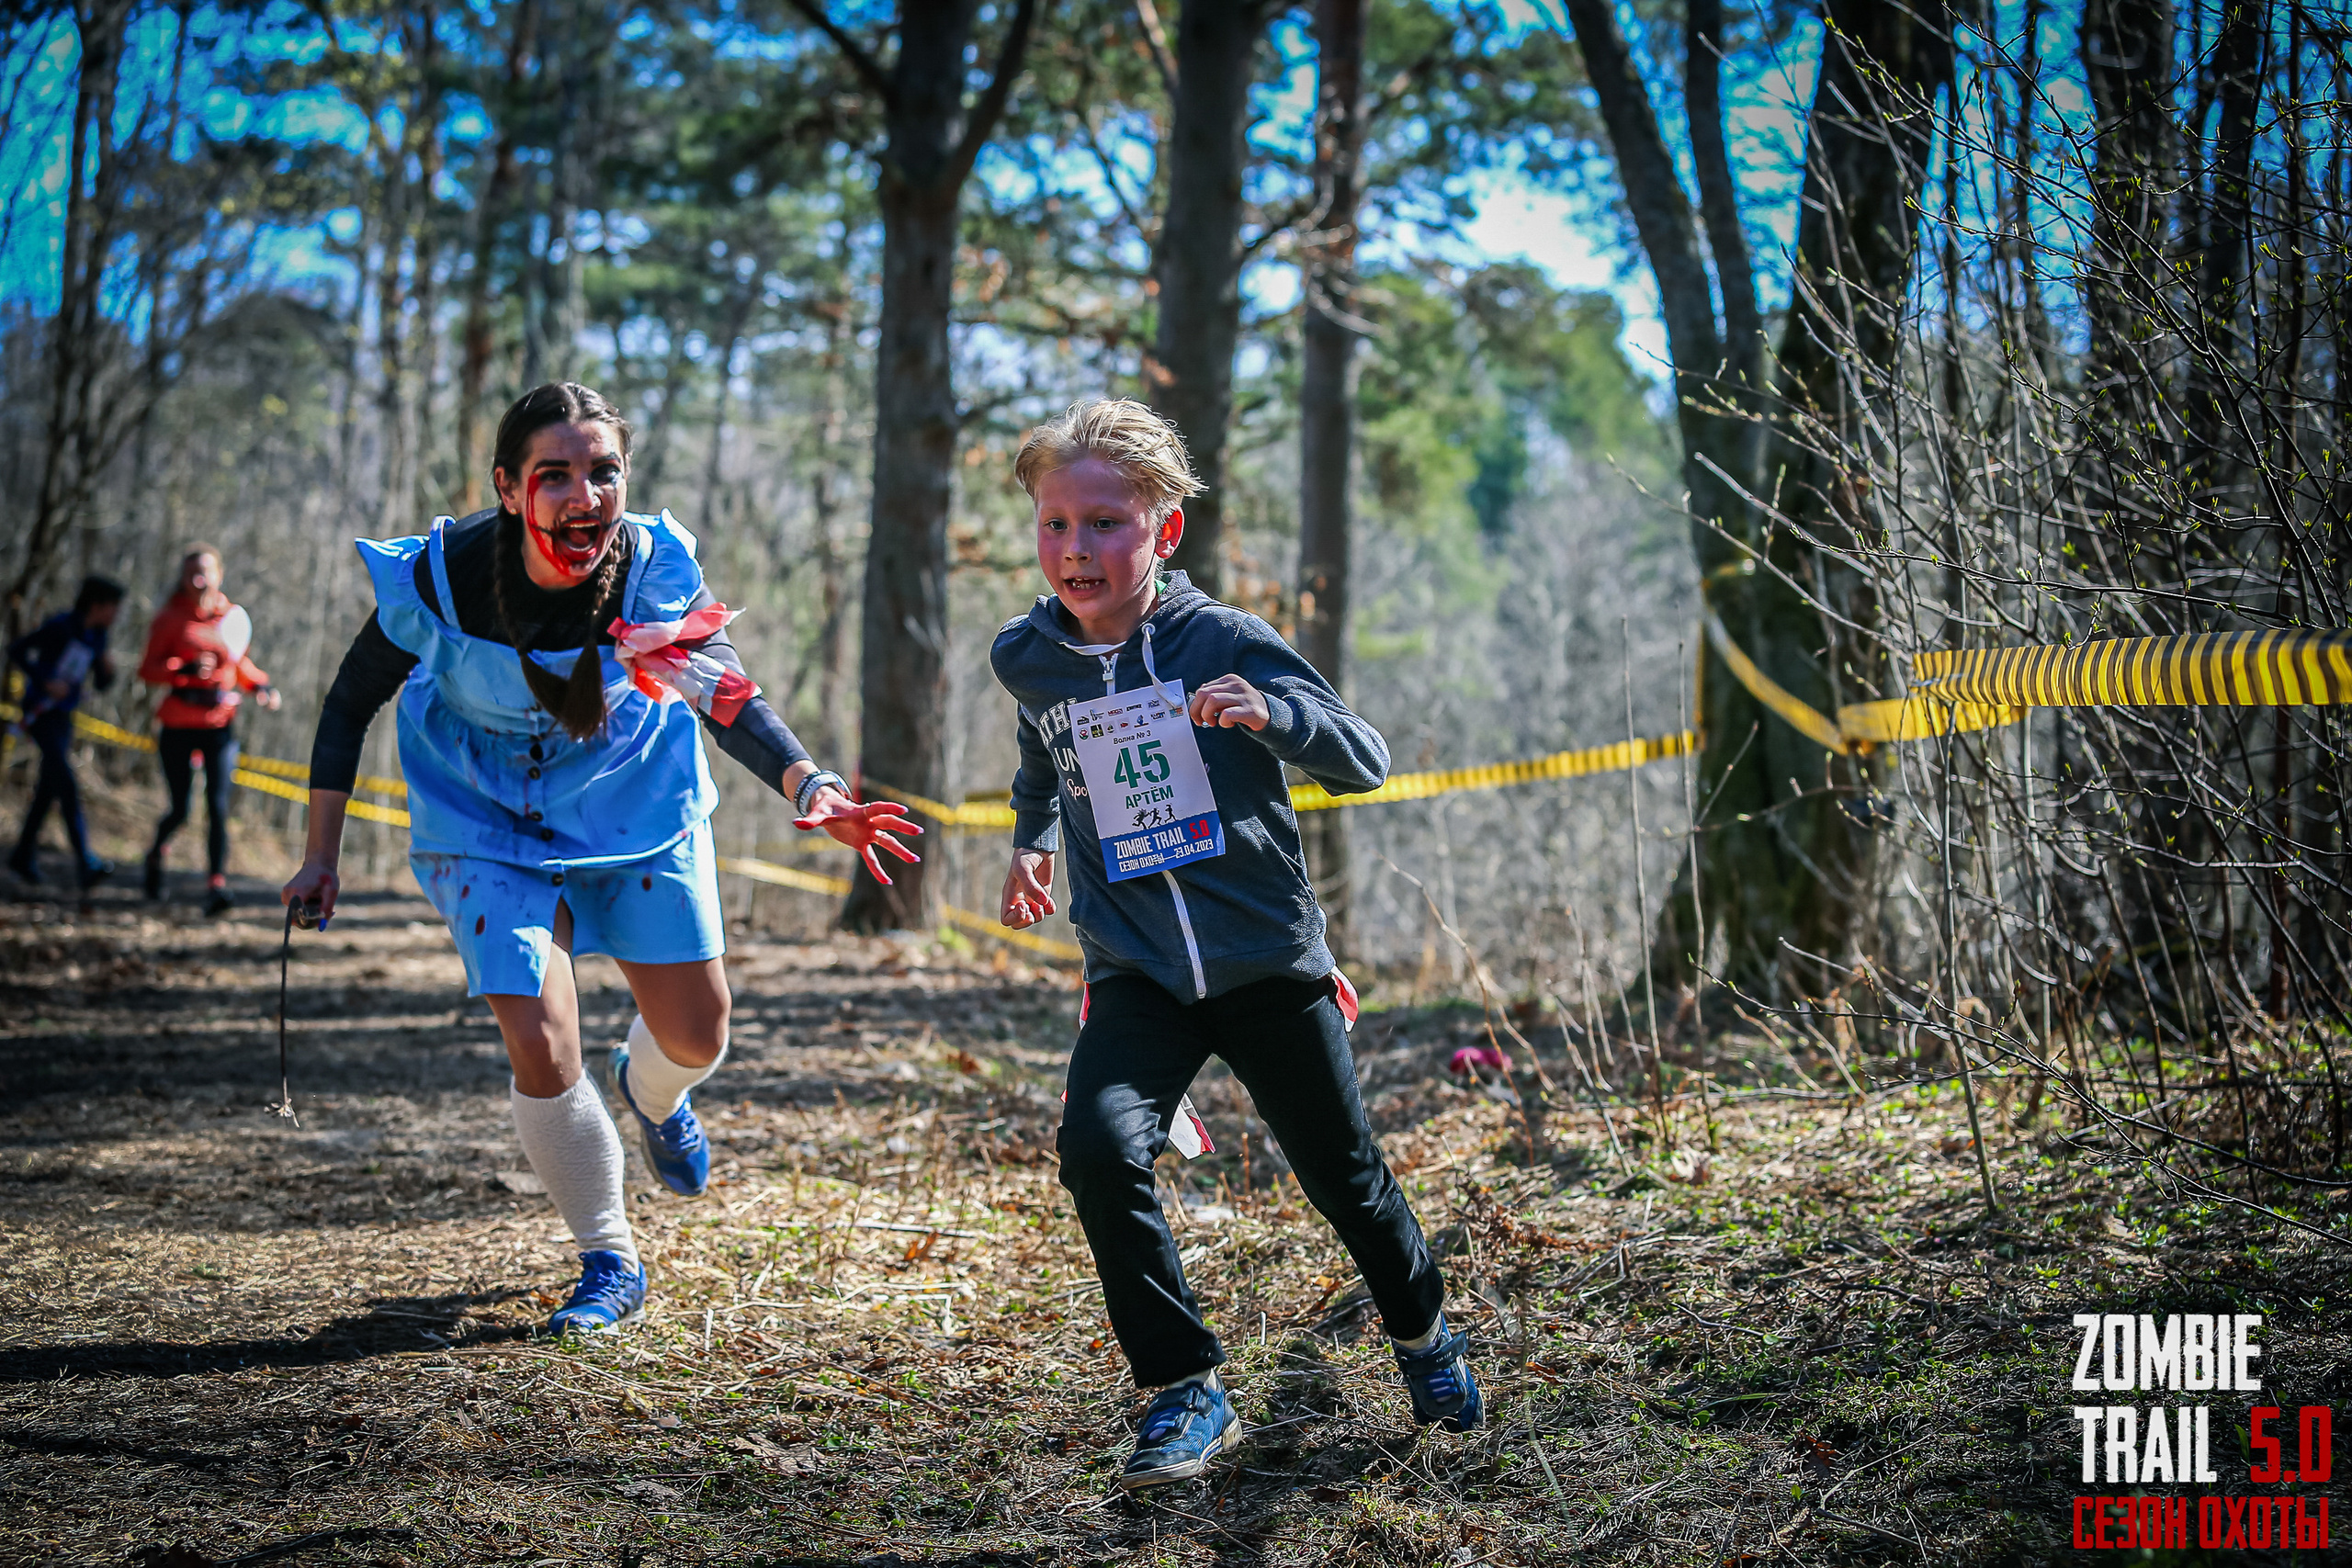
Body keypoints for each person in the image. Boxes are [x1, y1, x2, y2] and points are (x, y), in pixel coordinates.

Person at [283, 382, 919, 1337]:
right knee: (538, 1036)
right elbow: (346, 703)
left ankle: (653, 1095)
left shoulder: (651, 570)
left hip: (633, 808)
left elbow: (727, 696)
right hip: (484, 815)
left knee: (699, 1034)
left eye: (603, 472)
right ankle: (609, 1258)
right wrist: (319, 856)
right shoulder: (443, 578)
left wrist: (811, 787)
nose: (584, 495)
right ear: (508, 488)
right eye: (556, 475)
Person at [990, 400, 1481, 1491]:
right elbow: (1040, 752)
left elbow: (1363, 756)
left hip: (1266, 965)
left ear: (1164, 531)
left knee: (1344, 1180)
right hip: (1136, 973)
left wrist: (1271, 714)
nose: (1076, 547)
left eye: (1105, 523)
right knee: (1098, 1150)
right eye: (1056, 522)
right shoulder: (1028, 656)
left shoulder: (1222, 639)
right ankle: (1182, 1388)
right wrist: (1030, 844)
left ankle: (1423, 1336)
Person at [139, 544, 280, 914]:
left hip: (219, 725)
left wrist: (262, 687)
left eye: (206, 572)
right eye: (192, 574)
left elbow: (239, 664)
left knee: (218, 807)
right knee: (181, 809)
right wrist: (180, 671)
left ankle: (216, 885)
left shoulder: (231, 617)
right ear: (183, 579)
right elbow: (147, 669)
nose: (199, 580)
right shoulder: (171, 618)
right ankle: (155, 855)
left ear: (220, 575)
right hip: (178, 723)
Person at [7, 574, 128, 888]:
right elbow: (17, 650)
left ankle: (21, 855)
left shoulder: (98, 637)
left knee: (49, 788)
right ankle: (85, 861)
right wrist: (44, 679)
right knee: (66, 784)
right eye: (114, 608)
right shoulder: (60, 625)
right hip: (40, 712)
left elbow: (102, 683)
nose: (116, 615)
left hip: (63, 717)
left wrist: (108, 668)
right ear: (97, 604)